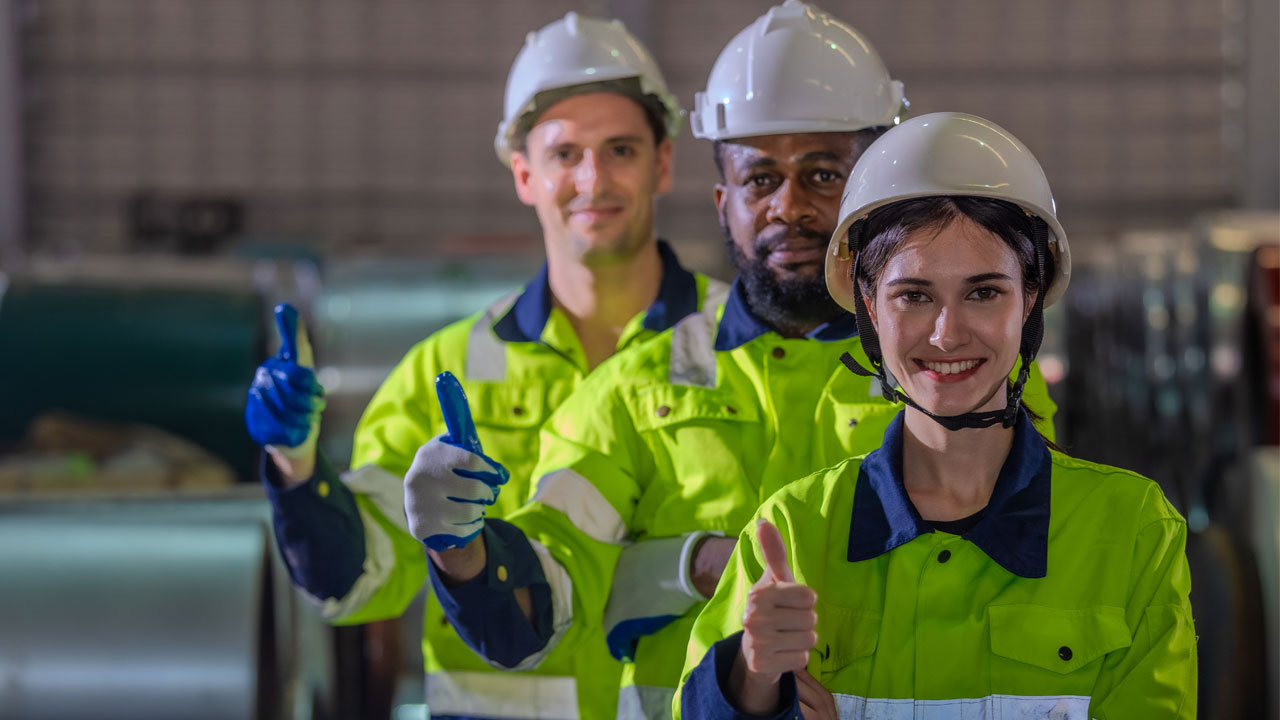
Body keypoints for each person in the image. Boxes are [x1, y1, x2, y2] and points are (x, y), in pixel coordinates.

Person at [417, 4, 1059, 719]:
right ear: (723, 202)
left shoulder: (959, 377)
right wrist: (461, 551)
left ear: (873, 195)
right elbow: (543, 597)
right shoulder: (631, 394)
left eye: (822, 175)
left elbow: (1023, 592)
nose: (790, 206)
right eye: (761, 181)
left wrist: (662, 569)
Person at [244, 11, 727, 719]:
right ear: (525, 175)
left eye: (620, 149)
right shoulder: (445, 370)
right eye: (565, 154)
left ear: (662, 163)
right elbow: (358, 582)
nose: (593, 177)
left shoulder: (740, 350)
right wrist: (296, 466)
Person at [677, 112, 1198, 719]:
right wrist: (752, 682)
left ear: (1030, 298)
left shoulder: (1132, 531)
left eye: (983, 292)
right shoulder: (796, 530)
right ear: (869, 306)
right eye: (914, 296)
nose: (947, 335)